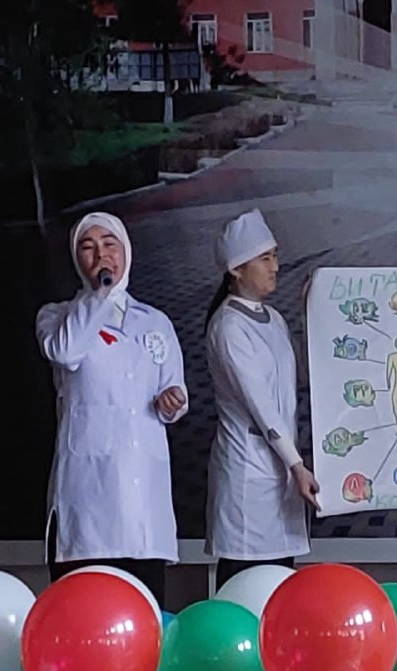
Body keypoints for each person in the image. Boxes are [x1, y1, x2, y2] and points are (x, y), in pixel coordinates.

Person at [36, 211, 187, 606]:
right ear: (77, 261)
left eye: (109, 244)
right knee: (84, 612)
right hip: (89, 496)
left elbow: (174, 393)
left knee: (144, 613)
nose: (101, 255)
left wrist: (171, 402)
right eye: (88, 248)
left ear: (126, 252)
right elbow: (66, 351)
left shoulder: (155, 322)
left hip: (143, 498)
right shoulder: (56, 317)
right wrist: (98, 296)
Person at [204, 209, 320, 589]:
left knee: (280, 583)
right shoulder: (228, 327)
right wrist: (296, 465)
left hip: (282, 472)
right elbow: (262, 406)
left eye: (275, 256)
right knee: (246, 583)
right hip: (248, 473)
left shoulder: (274, 319)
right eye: (265, 258)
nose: (276, 267)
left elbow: (302, 374)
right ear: (237, 269)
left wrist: (311, 315)